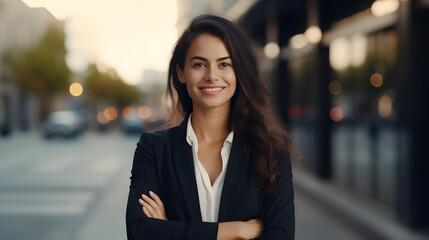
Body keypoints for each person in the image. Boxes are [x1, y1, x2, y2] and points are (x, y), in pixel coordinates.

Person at [126, 14, 295, 240]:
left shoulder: (271, 150)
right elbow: (140, 233)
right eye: (199, 64)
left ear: (238, 72)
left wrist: (171, 229)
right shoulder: (154, 150)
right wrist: (233, 231)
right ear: (181, 73)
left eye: (224, 64)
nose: (212, 76)